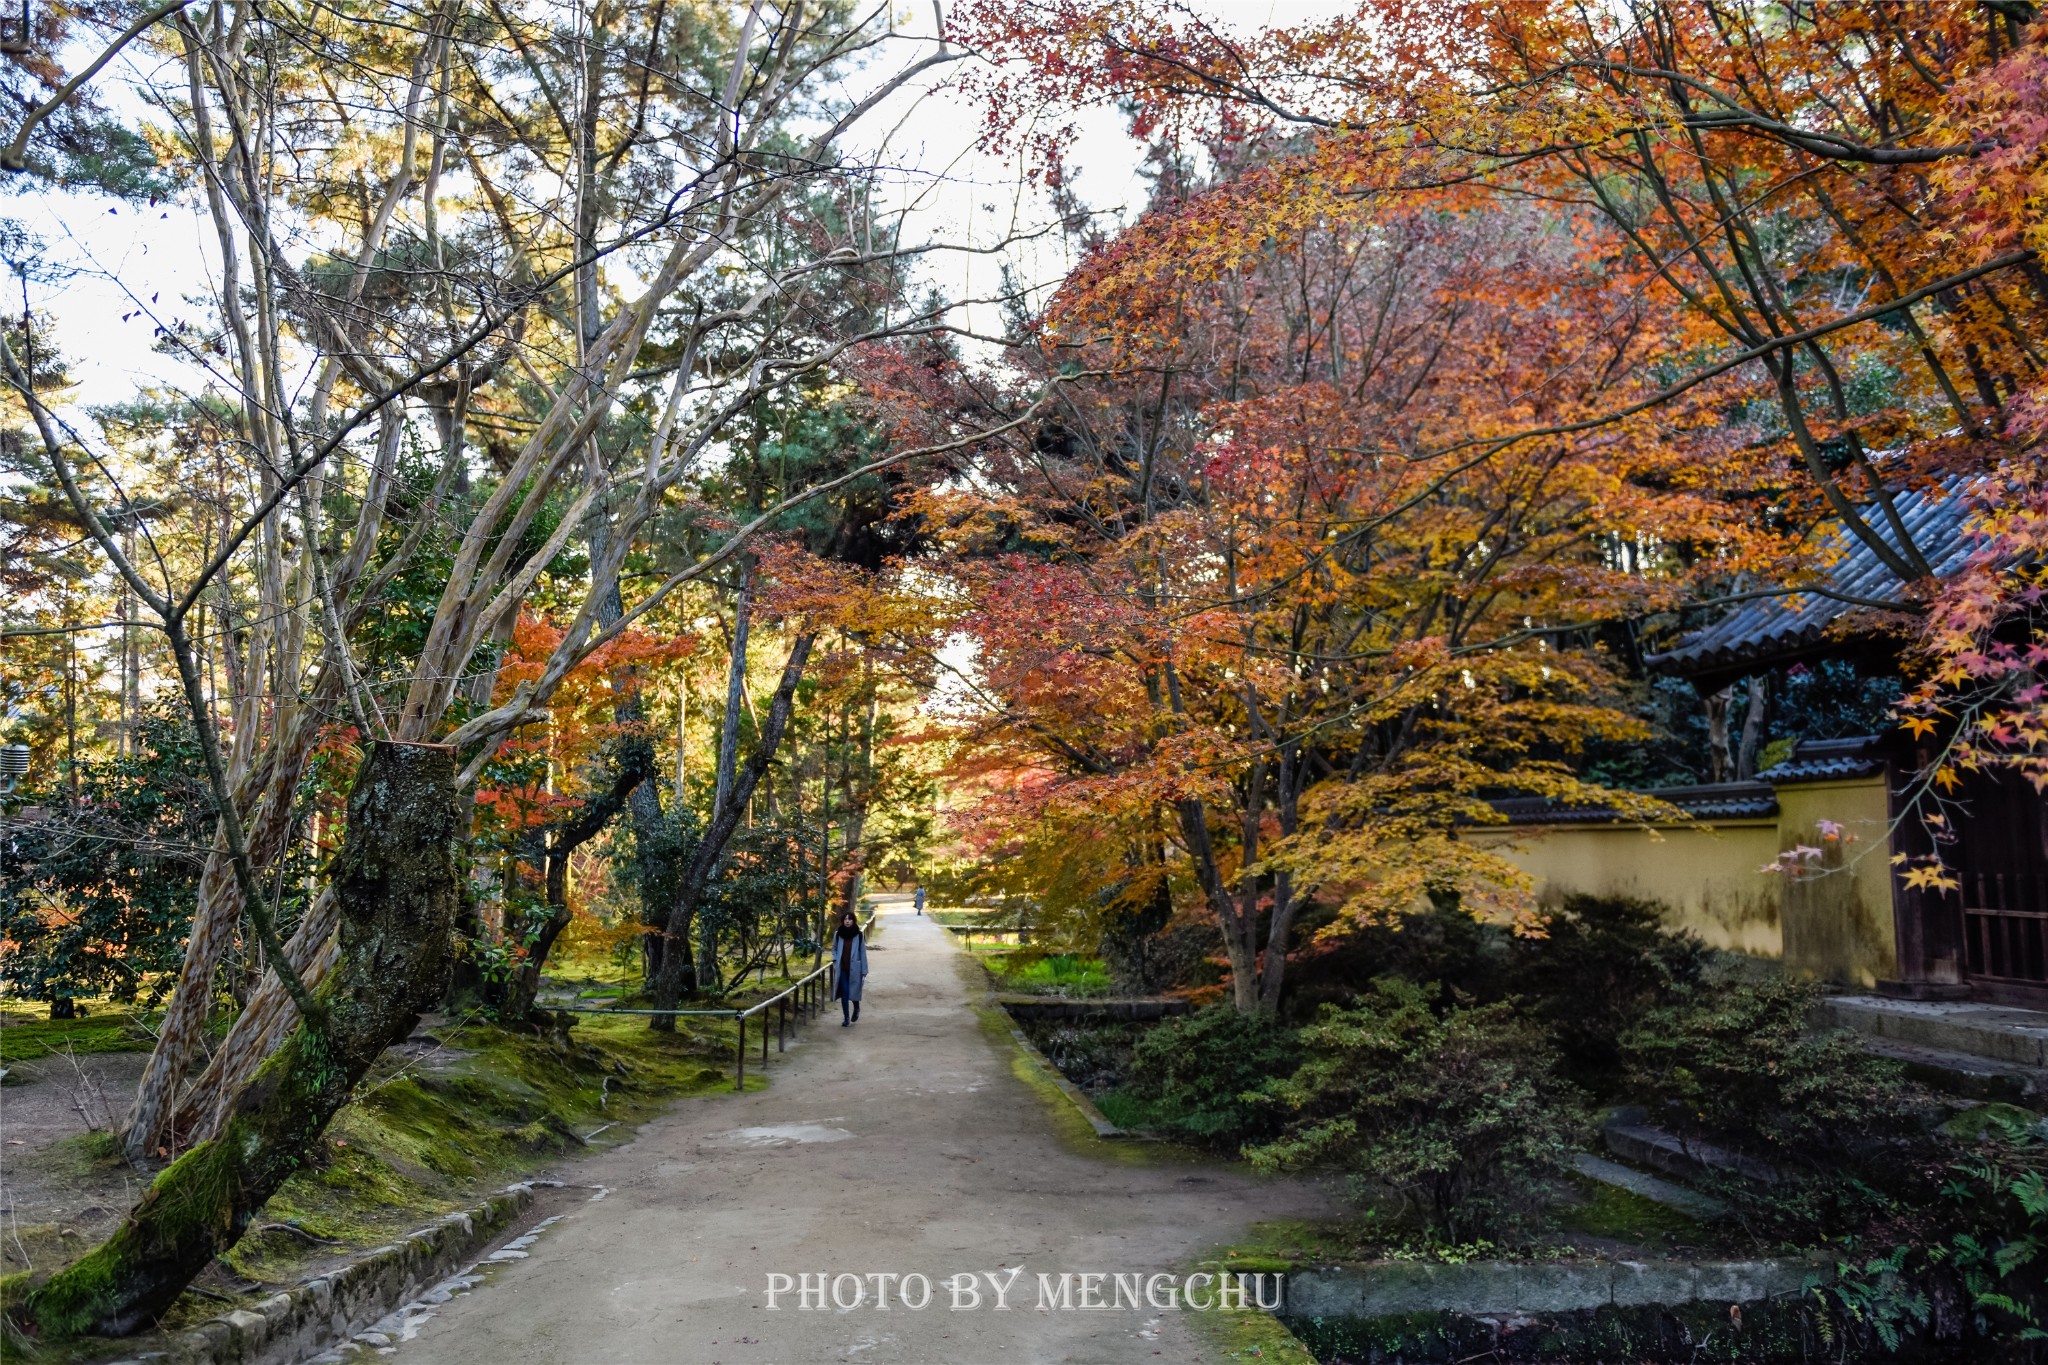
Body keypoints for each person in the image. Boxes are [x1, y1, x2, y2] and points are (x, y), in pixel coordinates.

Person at [832, 910, 868, 1026]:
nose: (847, 921)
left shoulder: (858, 935)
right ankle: (846, 1018)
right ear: (843, 921)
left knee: (854, 992)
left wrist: (864, 969)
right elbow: (834, 949)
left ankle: (856, 1008)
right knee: (845, 993)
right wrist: (835, 960)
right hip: (842, 968)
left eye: (849, 919)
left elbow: (862, 952)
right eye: (845, 919)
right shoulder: (838, 934)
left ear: (853, 921)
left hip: (855, 968)